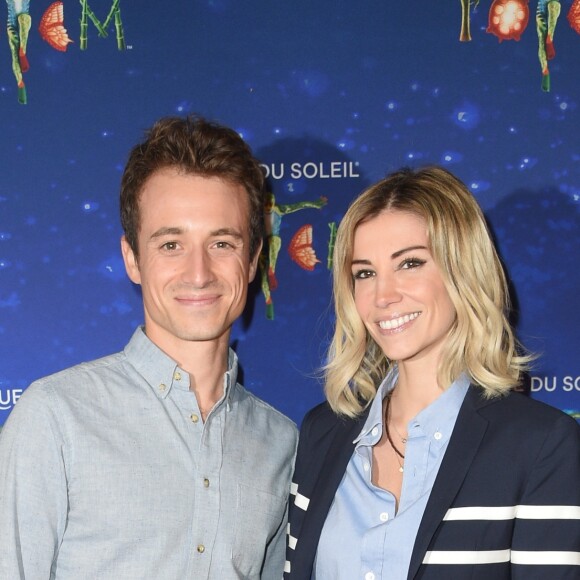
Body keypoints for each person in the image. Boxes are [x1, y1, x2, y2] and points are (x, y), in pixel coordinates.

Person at [0, 116, 298, 579]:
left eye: (221, 242)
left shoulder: (281, 442)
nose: (198, 273)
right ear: (132, 259)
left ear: (254, 260)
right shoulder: (55, 418)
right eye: (171, 244)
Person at [284, 166, 580, 579]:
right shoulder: (323, 433)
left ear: (461, 270)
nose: (383, 296)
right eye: (365, 273)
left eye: (409, 263)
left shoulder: (540, 446)